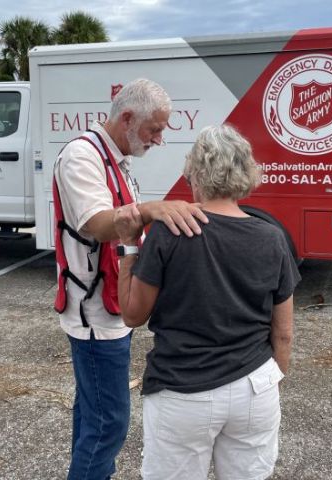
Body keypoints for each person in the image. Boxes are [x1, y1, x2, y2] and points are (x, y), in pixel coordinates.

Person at [115, 124, 300, 479]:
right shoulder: (272, 238)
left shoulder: (169, 232)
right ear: (245, 172)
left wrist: (127, 246)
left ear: (194, 174)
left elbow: (132, 315)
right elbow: (284, 333)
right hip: (255, 387)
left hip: (182, 391)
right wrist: (270, 383)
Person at [53, 78, 208, 480]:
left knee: (93, 416)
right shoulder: (81, 157)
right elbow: (99, 225)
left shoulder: (115, 159)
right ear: (126, 119)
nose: (159, 139)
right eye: (154, 129)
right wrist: (152, 210)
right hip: (95, 318)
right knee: (109, 424)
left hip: (110, 309)